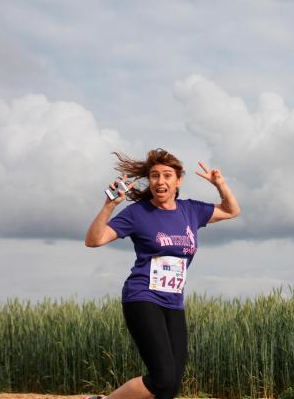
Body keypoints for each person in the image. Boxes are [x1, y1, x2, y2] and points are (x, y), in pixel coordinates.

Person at [84, 148, 240, 399]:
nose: (160, 181)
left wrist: (220, 184)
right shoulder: (137, 213)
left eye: (167, 175)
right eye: (155, 176)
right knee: (163, 378)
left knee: (170, 385)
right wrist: (109, 206)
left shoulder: (191, 211)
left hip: (174, 302)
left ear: (178, 181)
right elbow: (94, 240)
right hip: (143, 296)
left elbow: (232, 210)